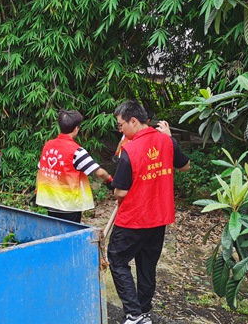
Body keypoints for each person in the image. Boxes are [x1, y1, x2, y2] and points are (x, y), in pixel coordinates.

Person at [108, 100, 191, 324]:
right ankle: (143, 313)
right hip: (158, 218)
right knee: (147, 265)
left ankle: (134, 314)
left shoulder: (130, 150)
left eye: (120, 125)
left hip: (133, 219)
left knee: (116, 260)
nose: (120, 130)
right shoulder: (167, 141)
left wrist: (116, 190)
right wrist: (170, 138)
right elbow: (185, 166)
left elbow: (121, 192)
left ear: (133, 121)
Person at [36, 109, 114, 223]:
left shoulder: (48, 145)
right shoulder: (77, 151)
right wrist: (110, 180)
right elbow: (99, 172)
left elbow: (40, 171)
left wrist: (37, 191)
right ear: (76, 128)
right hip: (69, 205)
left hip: (50, 203)